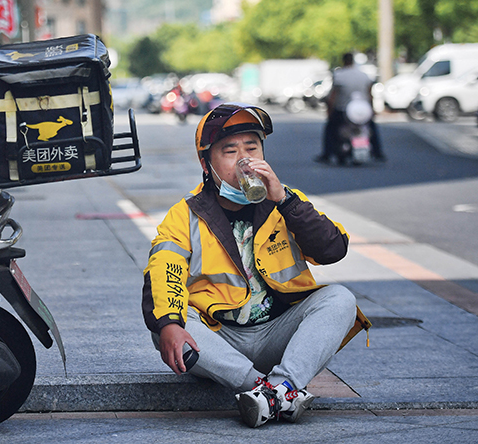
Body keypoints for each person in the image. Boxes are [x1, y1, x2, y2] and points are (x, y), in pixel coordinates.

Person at [141, 103, 369, 428]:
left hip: (277, 334)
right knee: (167, 325)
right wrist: (169, 324)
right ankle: (271, 393)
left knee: (340, 298)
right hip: (222, 340)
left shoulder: (284, 201)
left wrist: (285, 200)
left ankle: (281, 386)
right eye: (230, 151)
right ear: (206, 164)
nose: (244, 159)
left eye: (252, 148)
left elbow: (332, 249)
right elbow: (163, 270)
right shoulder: (186, 214)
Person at [316, 53, 386, 164]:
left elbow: (333, 96)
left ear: (344, 61)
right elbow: (370, 95)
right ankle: (377, 152)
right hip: (363, 110)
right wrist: (372, 110)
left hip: (343, 110)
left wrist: (329, 111)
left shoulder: (339, 75)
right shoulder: (364, 75)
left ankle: (327, 153)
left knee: (330, 128)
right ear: (353, 61)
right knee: (372, 128)